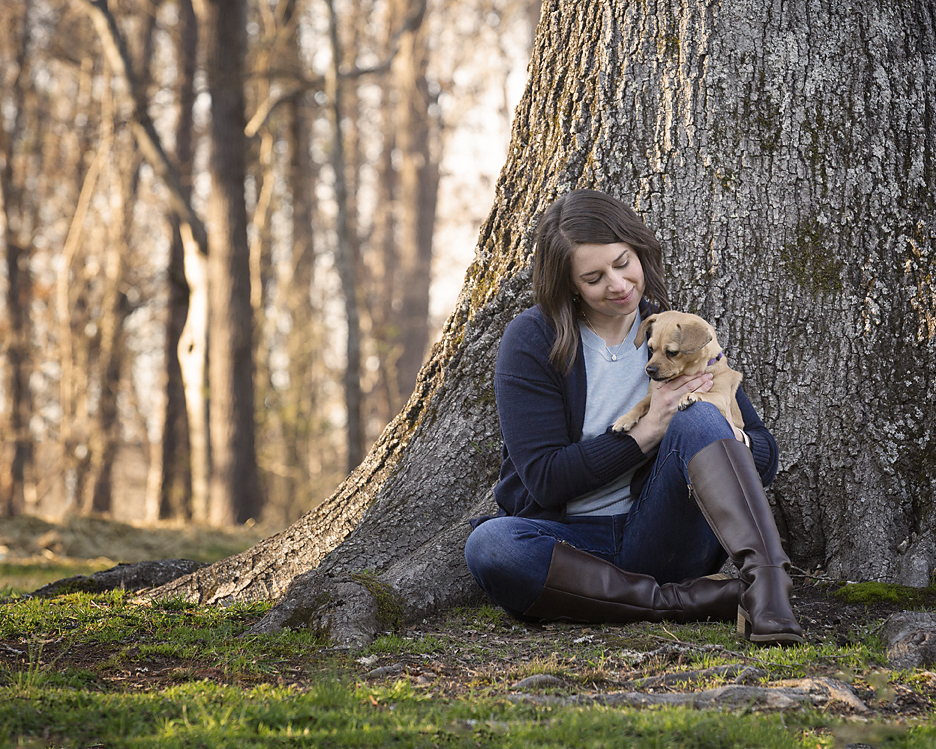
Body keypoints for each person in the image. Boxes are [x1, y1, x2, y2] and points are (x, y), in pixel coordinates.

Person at [464, 189, 803, 645]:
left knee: (698, 419)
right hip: (569, 546)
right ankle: (693, 601)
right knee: (491, 545)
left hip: (665, 532)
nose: (618, 285)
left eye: (623, 263)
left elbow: (764, 455)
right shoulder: (533, 340)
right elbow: (545, 479)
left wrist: (723, 432)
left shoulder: (677, 333)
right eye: (594, 277)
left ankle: (768, 592)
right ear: (569, 284)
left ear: (639, 250)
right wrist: (647, 431)